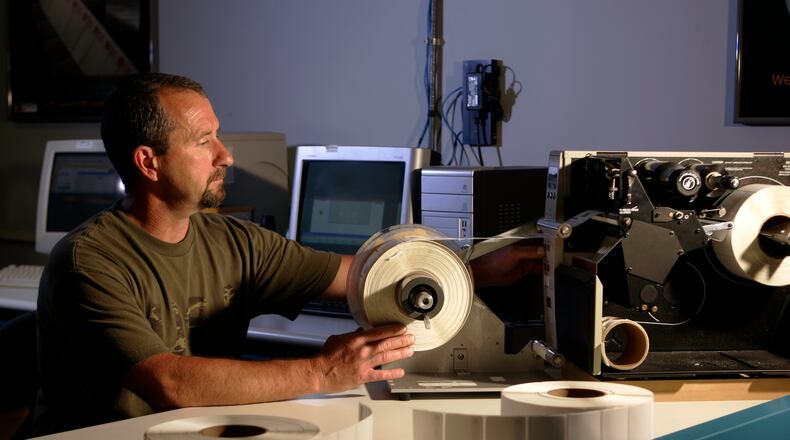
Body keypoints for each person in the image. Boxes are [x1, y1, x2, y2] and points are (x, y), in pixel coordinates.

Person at [33, 72, 544, 435]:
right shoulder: (89, 262)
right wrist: (323, 371)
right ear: (148, 162)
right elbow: (170, 384)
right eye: (204, 140)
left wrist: (473, 271)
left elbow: (365, 278)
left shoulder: (233, 242)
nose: (225, 155)